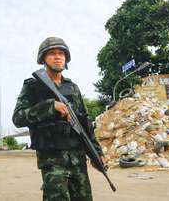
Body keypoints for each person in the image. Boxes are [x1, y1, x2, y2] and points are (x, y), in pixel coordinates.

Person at [12, 37, 104, 201]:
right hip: (52, 160)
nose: (58, 57)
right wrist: (50, 107)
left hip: (77, 159)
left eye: (61, 53)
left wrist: (96, 153)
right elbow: (18, 117)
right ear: (43, 59)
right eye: (52, 53)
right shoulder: (33, 86)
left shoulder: (72, 87)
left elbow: (85, 123)